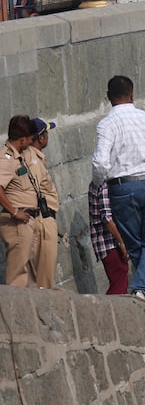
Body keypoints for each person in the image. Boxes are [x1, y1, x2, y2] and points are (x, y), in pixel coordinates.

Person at [91, 75, 145, 301]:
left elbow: (100, 163)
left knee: (135, 244)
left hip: (122, 187)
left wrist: (100, 182)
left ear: (108, 98)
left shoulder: (107, 124)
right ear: (132, 94)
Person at [0, 116, 42, 287]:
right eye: (30, 139)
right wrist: (14, 212)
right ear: (23, 139)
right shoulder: (6, 159)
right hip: (17, 223)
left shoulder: (19, 156)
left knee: (29, 278)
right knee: (17, 278)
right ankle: (14, 314)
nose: (31, 143)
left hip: (27, 221)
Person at [26, 118, 60, 289]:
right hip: (42, 221)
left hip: (40, 220)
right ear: (40, 137)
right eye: (46, 133)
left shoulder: (33, 157)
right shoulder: (32, 160)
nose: (48, 136)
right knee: (44, 282)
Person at [88, 181, 129, 295]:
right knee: (119, 283)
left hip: (107, 242)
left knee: (120, 280)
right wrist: (122, 243)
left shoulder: (96, 183)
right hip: (109, 242)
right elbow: (107, 218)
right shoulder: (103, 185)